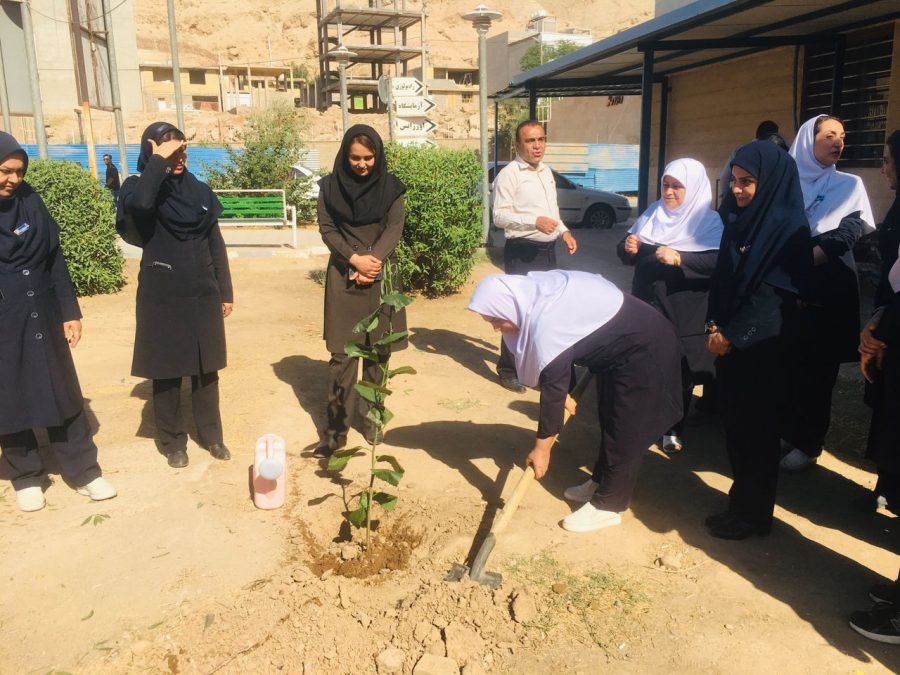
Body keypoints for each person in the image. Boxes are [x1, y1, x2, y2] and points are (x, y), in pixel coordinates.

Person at [468, 270, 682, 532]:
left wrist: (542, 449)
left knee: (626, 428)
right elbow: (556, 370)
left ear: (508, 307)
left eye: (496, 319)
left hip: (646, 350)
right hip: (620, 353)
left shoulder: (545, 321)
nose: (495, 327)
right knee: (610, 417)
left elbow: (552, 388)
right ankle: (600, 482)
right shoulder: (533, 298)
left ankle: (609, 506)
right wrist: (563, 395)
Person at [0, 131, 116, 511]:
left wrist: (70, 311)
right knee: (10, 394)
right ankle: (26, 474)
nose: (12, 180)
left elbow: (54, 259)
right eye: (4, 171)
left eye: (18, 171)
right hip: (5, 317)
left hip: (44, 310)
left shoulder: (31, 201)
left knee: (61, 389)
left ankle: (83, 470)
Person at [705, 140, 812, 540]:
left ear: (769, 182)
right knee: (734, 426)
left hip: (764, 349)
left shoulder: (789, 230)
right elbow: (722, 282)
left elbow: (772, 297)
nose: (737, 190)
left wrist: (732, 335)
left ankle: (754, 514)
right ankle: (739, 503)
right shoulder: (737, 220)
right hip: (729, 342)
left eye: (747, 182)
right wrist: (714, 325)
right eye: (733, 180)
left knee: (758, 432)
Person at [116, 122, 233, 469]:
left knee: (205, 367)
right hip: (162, 293)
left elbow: (215, 243)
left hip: (201, 290)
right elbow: (140, 207)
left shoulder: (199, 191)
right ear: (151, 152)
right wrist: (158, 164)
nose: (178, 158)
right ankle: (172, 442)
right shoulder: (138, 187)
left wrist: (225, 290)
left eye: (181, 150)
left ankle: (212, 436)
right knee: (166, 371)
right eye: (169, 151)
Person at [780, 115, 875, 471]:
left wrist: (807, 258)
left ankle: (809, 442)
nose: (838, 142)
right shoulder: (785, 183)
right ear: (808, 141)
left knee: (818, 372)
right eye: (830, 135)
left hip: (827, 287)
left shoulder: (849, 184)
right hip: (788, 288)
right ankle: (787, 431)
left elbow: (849, 231)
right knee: (787, 365)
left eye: (843, 137)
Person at [617, 158, 723, 453]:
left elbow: (719, 263)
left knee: (679, 370)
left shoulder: (710, 223)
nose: (669, 192)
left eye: (677, 186)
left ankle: (672, 428)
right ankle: (644, 418)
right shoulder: (653, 214)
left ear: (694, 188)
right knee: (645, 362)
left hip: (684, 309)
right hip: (648, 304)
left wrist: (682, 258)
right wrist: (628, 248)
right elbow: (627, 247)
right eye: (666, 184)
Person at [315, 124, 407, 458]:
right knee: (343, 356)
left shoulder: (392, 189)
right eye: (355, 157)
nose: (362, 164)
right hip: (343, 275)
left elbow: (394, 227)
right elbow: (327, 229)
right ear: (345, 155)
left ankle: (372, 423)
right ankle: (336, 432)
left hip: (381, 276)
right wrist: (354, 258)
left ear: (378, 156)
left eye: (368, 157)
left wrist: (373, 262)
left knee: (378, 353)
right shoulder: (329, 188)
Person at [491, 119, 577, 394]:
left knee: (546, 312)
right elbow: (499, 216)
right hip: (523, 253)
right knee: (518, 312)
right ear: (518, 145)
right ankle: (507, 369)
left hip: (547, 252)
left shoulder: (546, 172)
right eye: (530, 141)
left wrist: (564, 232)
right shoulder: (510, 174)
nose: (537, 146)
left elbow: (552, 212)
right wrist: (533, 222)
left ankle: (537, 366)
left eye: (540, 139)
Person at [858, 130, 900, 512]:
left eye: (888, 160)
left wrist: (880, 330)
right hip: (890, 316)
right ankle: (886, 482)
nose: (883, 168)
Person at [717, 120, 780, 204]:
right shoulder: (778, 152)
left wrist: (724, 197)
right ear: (775, 135)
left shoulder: (741, 150)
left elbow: (724, 176)